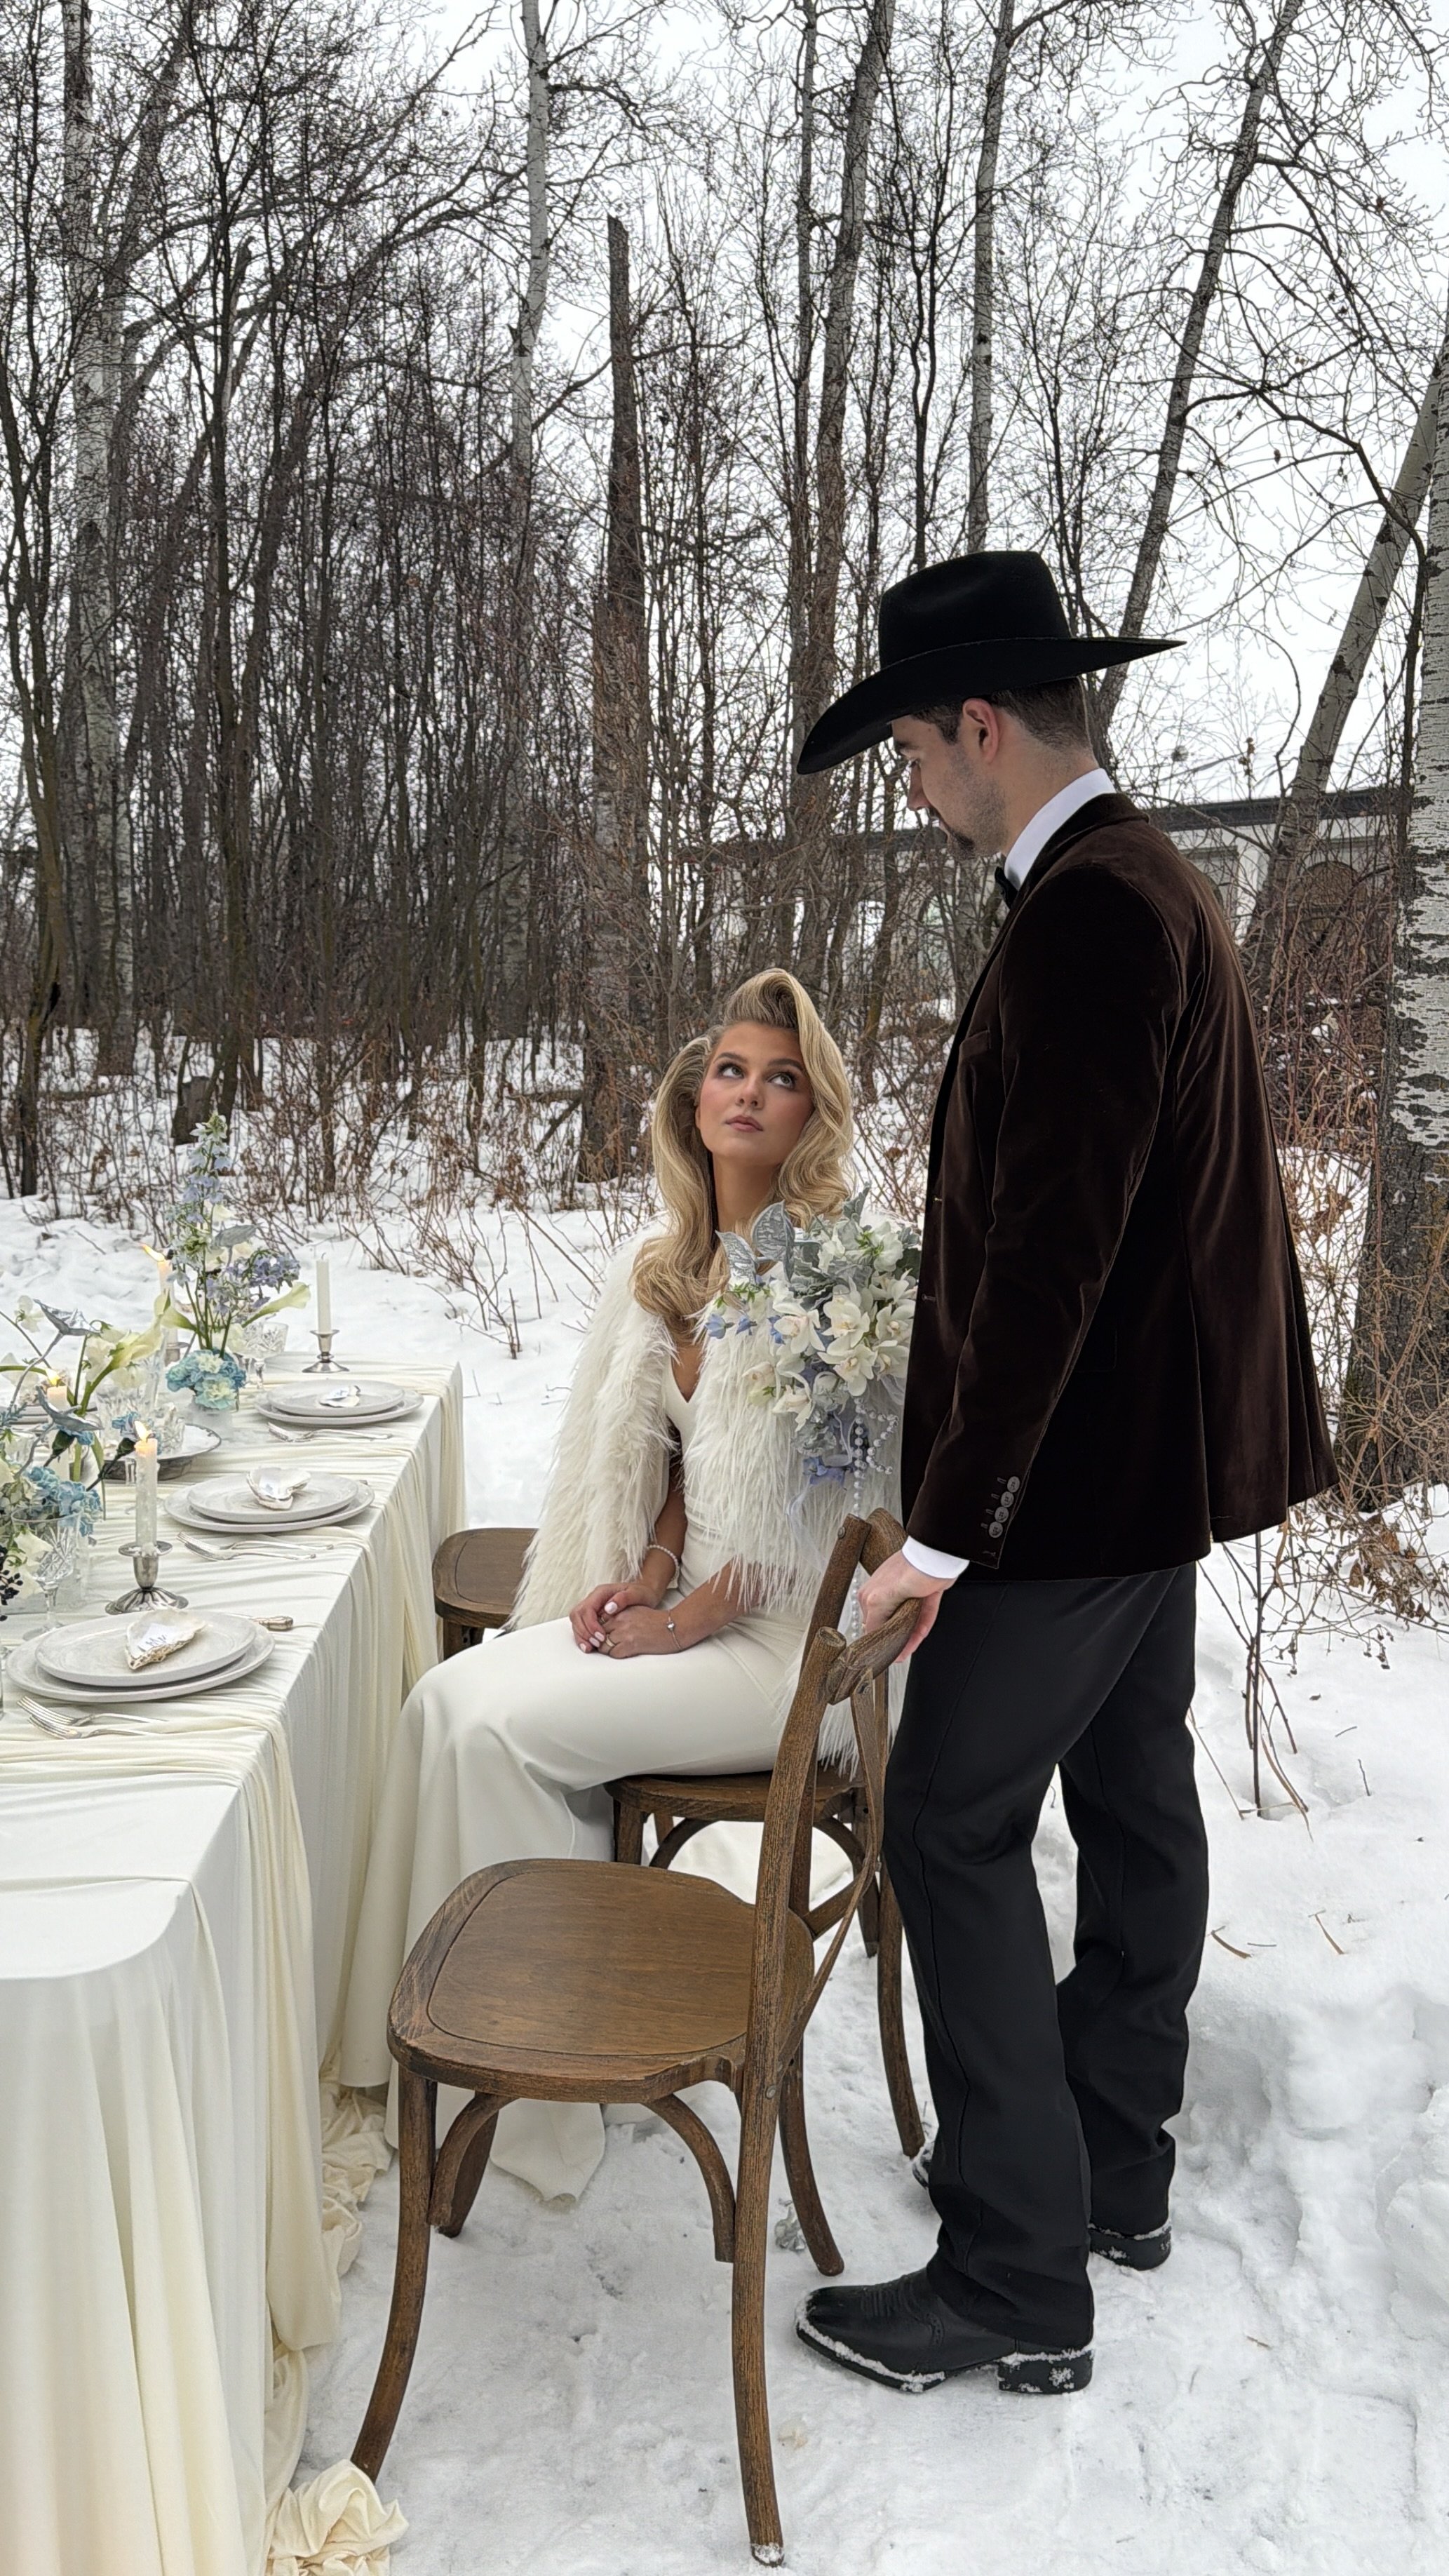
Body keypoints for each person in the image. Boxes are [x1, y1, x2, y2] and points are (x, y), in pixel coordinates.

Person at [791, 551, 1335, 2396]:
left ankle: (1018, 2269)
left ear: (978, 723)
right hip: (1143, 1473)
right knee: (1129, 1790)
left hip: (1075, 1489)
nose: (914, 789)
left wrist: (946, 1528)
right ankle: (1105, 2162)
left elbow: (1057, 1250)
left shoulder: (1098, 908)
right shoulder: (1133, 878)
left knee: (946, 1823)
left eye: (916, 754)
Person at [342, 967, 875, 2202]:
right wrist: (640, 1575)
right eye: (731, 1070)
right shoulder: (675, 1265)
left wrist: (683, 1621)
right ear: (696, 1104)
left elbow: (823, 1506)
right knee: (446, 1703)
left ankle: (537, 2083)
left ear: (812, 1113)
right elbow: (694, 1472)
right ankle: (439, 2026)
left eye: (781, 1077)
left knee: (506, 1738)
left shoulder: (838, 1274)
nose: (749, 1093)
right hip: (688, 1608)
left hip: (780, 1643)